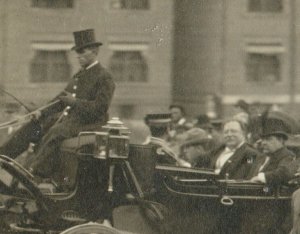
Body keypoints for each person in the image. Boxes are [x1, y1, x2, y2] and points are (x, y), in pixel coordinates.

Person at [0, 29, 115, 178]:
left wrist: (74, 102)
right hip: (72, 121)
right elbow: (61, 99)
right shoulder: (80, 75)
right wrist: (41, 112)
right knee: (34, 126)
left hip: (91, 123)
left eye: (82, 51)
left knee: (56, 132)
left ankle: (33, 172)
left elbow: (100, 109)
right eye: (77, 52)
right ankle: (3, 158)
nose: (78, 55)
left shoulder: (104, 77)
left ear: (94, 51)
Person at [239, 110, 298, 234]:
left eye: (269, 139)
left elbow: (285, 172)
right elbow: (247, 169)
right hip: (251, 207)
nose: (264, 142)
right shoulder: (260, 156)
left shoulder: (288, 156)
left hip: (270, 210)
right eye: (263, 139)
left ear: (281, 140)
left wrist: (261, 177)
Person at [195, 119, 260, 180]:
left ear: (243, 133)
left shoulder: (250, 154)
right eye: (226, 132)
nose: (229, 135)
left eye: (233, 131)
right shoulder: (216, 151)